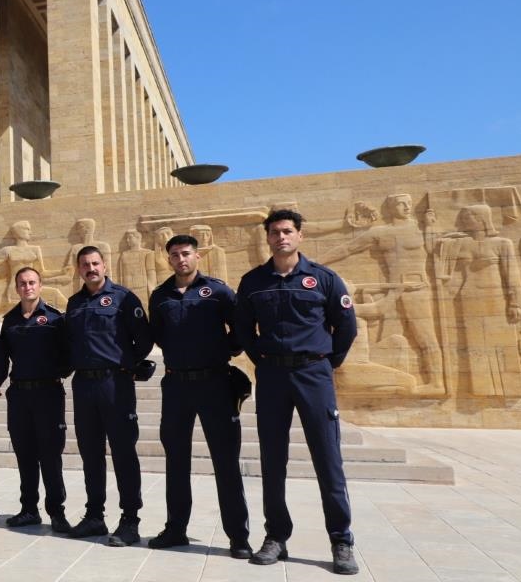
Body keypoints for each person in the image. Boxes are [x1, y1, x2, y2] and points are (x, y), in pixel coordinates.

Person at [235, 209, 358, 575]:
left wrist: (325, 362)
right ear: (267, 238)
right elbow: (244, 330)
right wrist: (264, 358)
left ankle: (341, 539)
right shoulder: (254, 281)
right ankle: (276, 536)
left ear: (300, 235)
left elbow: (346, 326)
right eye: (274, 232)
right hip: (272, 375)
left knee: (327, 458)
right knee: (273, 460)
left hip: (313, 374)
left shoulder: (323, 279)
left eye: (287, 231)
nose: (281, 237)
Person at [148, 235, 250, 558]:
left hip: (215, 384)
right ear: (169, 260)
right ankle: (176, 528)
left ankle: (238, 536)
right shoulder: (160, 295)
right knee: (176, 460)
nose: (181, 259)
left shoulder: (218, 291)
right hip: (177, 386)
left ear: (198, 256)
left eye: (186, 253)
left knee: (225, 461)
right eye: (175, 255)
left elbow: (240, 330)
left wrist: (224, 351)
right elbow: (159, 335)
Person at [63, 245, 152, 545]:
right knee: (91, 453)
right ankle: (94, 516)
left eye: (95, 263)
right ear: (79, 269)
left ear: (104, 265)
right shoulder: (74, 303)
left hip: (115, 385)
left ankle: (130, 520)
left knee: (124, 452)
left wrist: (125, 363)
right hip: (84, 386)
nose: (91, 268)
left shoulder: (123, 298)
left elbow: (144, 339)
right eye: (85, 264)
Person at [0, 267, 71, 533]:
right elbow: (4, 358)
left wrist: (54, 374)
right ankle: (29, 509)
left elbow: (67, 355)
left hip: (48, 394)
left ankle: (57, 512)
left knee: (50, 455)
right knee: (24, 455)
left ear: (40, 285)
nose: (27, 287)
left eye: (32, 282)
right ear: (17, 288)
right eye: (22, 283)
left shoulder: (54, 318)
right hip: (20, 396)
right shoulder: (10, 320)